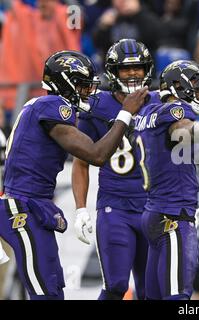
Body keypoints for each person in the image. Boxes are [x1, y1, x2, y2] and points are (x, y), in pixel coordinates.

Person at [0, 50, 148, 300]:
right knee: (45, 294)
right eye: (81, 85)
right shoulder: (53, 105)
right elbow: (96, 154)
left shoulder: (42, 106)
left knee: (54, 289)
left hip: (35, 204)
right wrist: (125, 113)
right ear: (65, 82)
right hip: (22, 207)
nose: (87, 91)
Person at [134, 60, 199, 300]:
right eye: (196, 87)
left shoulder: (148, 111)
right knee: (178, 297)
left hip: (153, 213)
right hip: (174, 216)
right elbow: (181, 128)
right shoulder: (174, 109)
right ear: (178, 85)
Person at [71, 39, 159, 300]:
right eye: (125, 69)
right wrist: (80, 208)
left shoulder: (159, 102)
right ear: (113, 71)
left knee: (149, 291)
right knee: (117, 285)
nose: (133, 74)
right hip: (115, 207)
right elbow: (81, 161)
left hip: (152, 207)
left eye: (138, 68)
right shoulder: (97, 106)